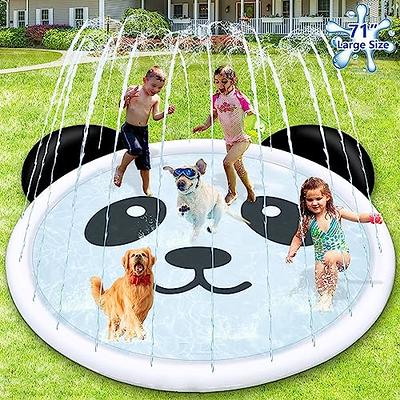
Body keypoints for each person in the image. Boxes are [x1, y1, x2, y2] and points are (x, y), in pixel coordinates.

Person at [286, 177, 382, 311]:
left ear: (327, 197)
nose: (314, 203)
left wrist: (372, 218)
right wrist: (292, 251)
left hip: (341, 255)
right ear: (304, 201)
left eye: (318, 198)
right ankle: (325, 301)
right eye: (310, 200)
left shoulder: (336, 212)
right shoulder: (307, 220)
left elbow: (358, 217)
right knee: (320, 287)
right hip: (320, 259)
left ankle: (329, 295)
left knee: (330, 257)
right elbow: (298, 236)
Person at [193, 65, 256, 206]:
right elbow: (214, 114)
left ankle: (232, 192)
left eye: (224, 81)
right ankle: (250, 189)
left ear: (233, 80)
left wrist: (254, 126)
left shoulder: (239, 97)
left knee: (227, 163)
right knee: (239, 168)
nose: (220, 85)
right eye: (216, 81)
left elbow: (251, 114)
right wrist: (205, 125)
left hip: (242, 138)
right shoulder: (216, 98)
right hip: (229, 140)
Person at [114, 66, 175, 195]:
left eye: (159, 88)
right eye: (153, 85)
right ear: (144, 80)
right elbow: (120, 106)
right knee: (135, 150)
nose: (156, 90)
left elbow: (155, 117)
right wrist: (126, 97)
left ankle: (146, 189)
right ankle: (121, 169)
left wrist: (165, 113)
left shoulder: (155, 99)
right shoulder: (133, 90)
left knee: (145, 165)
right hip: (129, 129)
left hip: (143, 132)